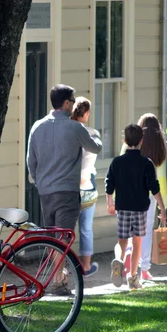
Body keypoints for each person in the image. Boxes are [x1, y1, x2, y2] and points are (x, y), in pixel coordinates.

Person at [27, 84, 102, 293]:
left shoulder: (37, 127)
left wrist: (39, 181)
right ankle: (58, 282)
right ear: (67, 103)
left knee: (53, 237)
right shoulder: (75, 128)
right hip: (67, 191)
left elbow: (30, 162)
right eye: (72, 99)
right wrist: (94, 135)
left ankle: (58, 276)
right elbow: (95, 147)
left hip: (45, 191)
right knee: (64, 238)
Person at [105, 124, 167, 290]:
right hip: (140, 209)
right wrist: (162, 208)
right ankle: (133, 278)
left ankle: (118, 261)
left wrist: (109, 202)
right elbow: (154, 187)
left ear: (124, 140)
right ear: (141, 141)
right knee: (137, 243)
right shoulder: (146, 163)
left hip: (122, 208)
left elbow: (109, 184)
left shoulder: (117, 162)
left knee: (122, 242)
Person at [122, 113, 167, 281]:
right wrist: (164, 205)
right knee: (145, 232)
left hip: (127, 194)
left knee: (128, 230)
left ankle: (127, 254)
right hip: (148, 197)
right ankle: (145, 269)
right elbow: (160, 180)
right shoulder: (160, 150)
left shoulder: (130, 143)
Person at [70, 97, 99, 277]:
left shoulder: (66, 131)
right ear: (86, 113)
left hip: (68, 183)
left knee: (65, 228)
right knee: (86, 227)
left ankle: (61, 267)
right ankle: (86, 266)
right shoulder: (92, 133)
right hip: (87, 184)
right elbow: (89, 160)